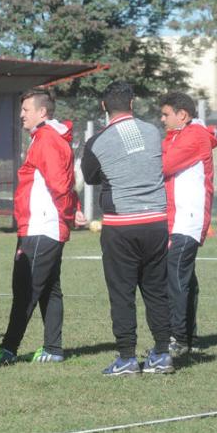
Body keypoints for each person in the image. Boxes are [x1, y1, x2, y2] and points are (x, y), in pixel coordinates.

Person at [82, 81, 174, 375]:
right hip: (156, 222)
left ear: (103, 107)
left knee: (122, 293)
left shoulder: (97, 141)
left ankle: (127, 357)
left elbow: (90, 177)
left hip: (121, 225)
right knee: (157, 290)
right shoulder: (153, 132)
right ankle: (161, 354)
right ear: (132, 105)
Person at [0, 89, 75, 366]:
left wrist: (67, 215)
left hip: (41, 228)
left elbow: (60, 185)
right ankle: (53, 349)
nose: (21, 115)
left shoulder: (47, 140)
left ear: (42, 112)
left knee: (26, 290)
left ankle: (8, 350)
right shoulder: (44, 139)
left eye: (26, 110)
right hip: (42, 226)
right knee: (49, 289)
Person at [159, 92, 217, 356]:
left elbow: (164, 165)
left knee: (176, 276)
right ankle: (187, 336)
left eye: (165, 114)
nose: (162, 119)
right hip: (181, 219)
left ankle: (178, 338)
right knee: (185, 278)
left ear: (182, 115)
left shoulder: (193, 135)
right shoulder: (181, 135)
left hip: (188, 220)